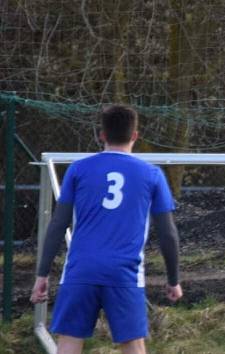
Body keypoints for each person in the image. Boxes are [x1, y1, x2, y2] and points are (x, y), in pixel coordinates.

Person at [30, 105, 183, 354]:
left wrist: (42, 274)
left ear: (102, 135)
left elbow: (58, 223)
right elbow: (168, 233)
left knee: (68, 341)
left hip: (81, 270)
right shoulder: (152, 174)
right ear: (135, 135)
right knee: (132, 344)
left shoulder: (78, 169)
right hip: (124, 273)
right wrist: (173, 280)